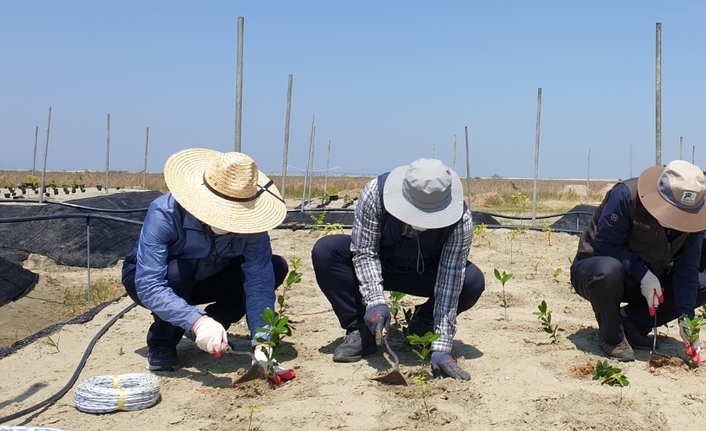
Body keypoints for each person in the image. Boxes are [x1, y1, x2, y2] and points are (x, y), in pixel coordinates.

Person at [311, 158, 483, 380]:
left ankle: (424, 323)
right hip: (380, 265)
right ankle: (360, 330)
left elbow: (451, 277)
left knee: (472, 280)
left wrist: (442, 346)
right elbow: (365, 252)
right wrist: (375, 303)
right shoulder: (375, 193)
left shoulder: (461, 219)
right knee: (327, 250)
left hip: (425, 273)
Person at [122, 149, 290, 374]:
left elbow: (258, 280)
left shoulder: (253, 229)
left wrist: (263, 342)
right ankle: (163, 342)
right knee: (176, 273)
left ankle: (216, 322)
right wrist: (196, 321)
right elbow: (149, 284)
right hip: (161, 279)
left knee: (275, 266)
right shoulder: (165, 213)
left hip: (211, 276)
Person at [571, 160, 706, 362]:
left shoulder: (694, 220)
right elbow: (606, 243)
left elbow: (687, 269)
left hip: (647, 280)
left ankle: (630, 324)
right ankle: (611, 337)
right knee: (608, 270)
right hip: (597, 273)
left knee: (701, 286)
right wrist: (643, 274)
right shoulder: (626, 195)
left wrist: (687, 319)